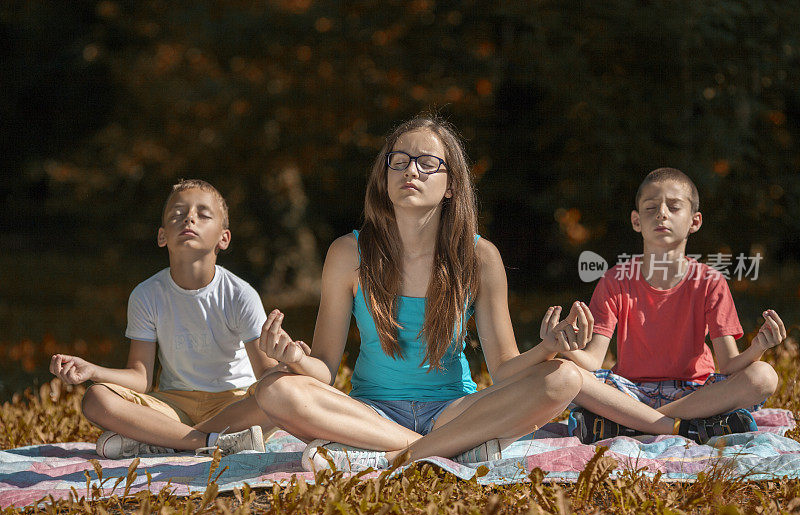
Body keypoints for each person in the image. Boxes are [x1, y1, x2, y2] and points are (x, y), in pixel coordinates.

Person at [252, 115, 587, 472]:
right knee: (274, 388)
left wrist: (549, 348)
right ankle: (442, 448)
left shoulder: (479, 256)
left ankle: (399, 454)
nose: (411, 171)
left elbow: (504, 370)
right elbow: (323, 372)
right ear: (384, 177)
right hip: (371, 414)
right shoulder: (347, 253)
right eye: (399, 161)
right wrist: (294, 358)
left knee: (563, 378)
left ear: (451, 186)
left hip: (453, 411)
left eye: (428, 163)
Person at [50, 179, 278, 458]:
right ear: (162, 236)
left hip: (234, 404)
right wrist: (92, 371)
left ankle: (162, 441)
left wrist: (291, 364)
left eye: (203, 214)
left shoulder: (240, 295)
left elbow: (266, 376)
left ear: (224, 238)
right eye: (177, 214)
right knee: (96, 399)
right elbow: (140, 378)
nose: (189, 218)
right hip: (173, 407)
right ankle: (208, 441)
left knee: (278, 395)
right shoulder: (147, 295)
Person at [563, 168, 786, 444]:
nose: (662, 213)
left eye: (674, 207)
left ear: (695, 221)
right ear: (636, 220)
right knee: (563, 373)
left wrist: (758, 348)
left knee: (763, 376)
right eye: (651, 207)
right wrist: (562, 348)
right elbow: (593, 359)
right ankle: (688, 426)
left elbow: (728, 364)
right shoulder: (615, 280)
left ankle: (631, 424)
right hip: (628, 390)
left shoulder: (710, 281)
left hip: (694, 394)